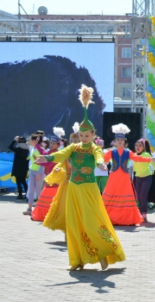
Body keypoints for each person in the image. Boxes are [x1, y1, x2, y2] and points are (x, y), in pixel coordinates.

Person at [35, 84, 125, 270]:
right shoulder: (73, 148)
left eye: (87, 135)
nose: (83, 138)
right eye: (81, 135)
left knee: (92, 222)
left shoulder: (94, 148)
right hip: (74, 189)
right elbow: (61, 154)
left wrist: (101, 163)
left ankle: (103, 252)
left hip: (89, 189)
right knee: (74, 224)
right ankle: (78, 259)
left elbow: (99, 156)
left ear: (93, 135)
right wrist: (48, 157)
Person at [101, 124, 150, 226]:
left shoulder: (128, 152)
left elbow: (137, 158)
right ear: (115, 141)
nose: (119, 141)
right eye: (118, 139)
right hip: (114, 177)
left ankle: (127, 219)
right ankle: (108, 218)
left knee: (125, 196)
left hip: (124, 178)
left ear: (124, 141)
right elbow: (102, 159)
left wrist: (150, 159)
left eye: (121, 140)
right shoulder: (111, 152)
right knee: (111, 196)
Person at [42, 124, 80, 233]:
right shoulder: (67, 153)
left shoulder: (83, 153)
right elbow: (60, 163)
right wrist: (57, 170)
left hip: (79, 184)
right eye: (72, 139)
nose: (74, 141)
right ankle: (67, 231)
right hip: (67, 184)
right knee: (65, 207)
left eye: (76, 139)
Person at [31, 128, 63, 222]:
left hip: (55, 179)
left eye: (54, 143)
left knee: (51, 197)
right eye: (52, 143)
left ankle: (51, 215)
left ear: (58, 145)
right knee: (45, 196)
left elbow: (49, 164)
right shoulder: (50, 152)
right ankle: (44, 215)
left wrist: (38, 162)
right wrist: (37, 145)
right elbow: (44, 153)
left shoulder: (57, 153)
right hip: (49, 177)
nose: (52, 144)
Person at [132, 139, 155, 223]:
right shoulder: (134, 155)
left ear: (143, 147)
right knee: (139, 197)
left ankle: (144, 215)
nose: (138, 147)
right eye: (136, 145)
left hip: (147, 177)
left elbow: (153, 163)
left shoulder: (146, 154)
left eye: (140, 145)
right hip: (137, 178)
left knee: (143, 196)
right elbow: (133, 167)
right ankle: (139, 214)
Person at [23, 132, 45, 215]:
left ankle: (40, 209)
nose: (29, 141)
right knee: (31, 189)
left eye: (31, 140)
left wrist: (39, 172)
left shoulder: (41, 149)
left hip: (39, 172)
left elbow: (43, 162)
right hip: (32, 171)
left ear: (35, 140)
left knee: (38, 190)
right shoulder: (32, 148)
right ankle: (29, 208)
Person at [8, 135, 29, 200]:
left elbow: (10, 147)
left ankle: (20, 195)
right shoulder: (27, 149)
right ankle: (27, 194)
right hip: (24, 168)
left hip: (17, 168)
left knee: (18, 182)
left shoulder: (18, 149)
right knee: (23, 181)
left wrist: (14, 140)